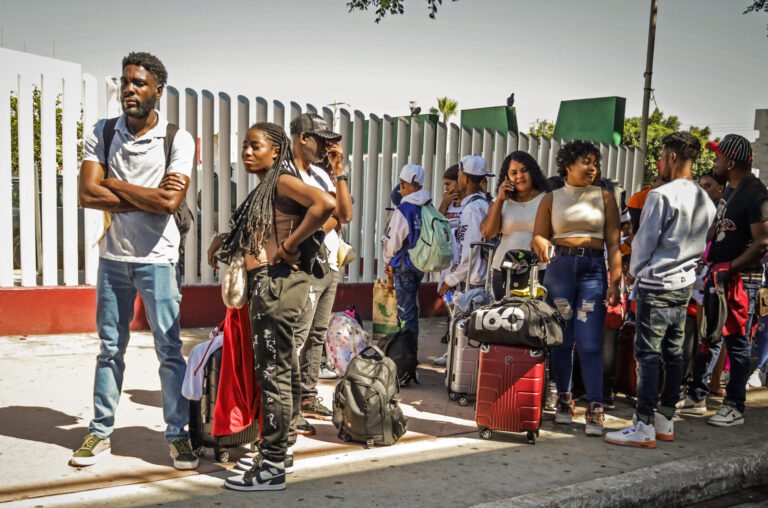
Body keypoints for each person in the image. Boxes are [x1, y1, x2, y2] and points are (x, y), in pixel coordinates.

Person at [73, 52, 197, 469]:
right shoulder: (103, 133)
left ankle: (178, 435)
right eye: (125, 82)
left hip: (159, 260)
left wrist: (112, 182)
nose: (129, 89)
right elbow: (86, 195)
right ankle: (99, 431)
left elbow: (168, 202)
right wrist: (142, 196)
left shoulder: (177, 138)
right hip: (113, 258)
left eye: (139, 83)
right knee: (110, 348)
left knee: (168, 349)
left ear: (157, 91)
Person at [211, 122, 335, 491]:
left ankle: (272, 465)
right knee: (284, 371)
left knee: (274, 375)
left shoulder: (281, 179)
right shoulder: (269, 185)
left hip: (277, 284)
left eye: (255, 146)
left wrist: (290, 246)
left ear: (276, 148)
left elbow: (325, 205)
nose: (248, 152)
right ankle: (282, 451)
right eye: (245, 146)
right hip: (270, 285)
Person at [605, 132, 716, 448]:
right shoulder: (704, 198)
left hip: (655, 285)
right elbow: (705, 240)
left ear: (671, 158)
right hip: (683, 285)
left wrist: (635, 275)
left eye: (662, 156)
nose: (660, 162)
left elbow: (642, 245)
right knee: (674, 353)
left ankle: (642, 425)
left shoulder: (660, 195)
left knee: (649, 356)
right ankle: (665, 420)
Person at [531, 140, 622, 437]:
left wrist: (615, 280)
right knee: (561, 338)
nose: (592, 167)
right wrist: (542, 243)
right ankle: (564, 402)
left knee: (590, 341)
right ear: (568, 165)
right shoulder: (551, 198)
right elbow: (538, 237)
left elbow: (613, 243)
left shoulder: (605, 197)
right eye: (586, 161)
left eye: (595, 162)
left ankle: (595, 407)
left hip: (593, 271)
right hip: (560, 271)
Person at [677, 134, 768, 427]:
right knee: (710, 335)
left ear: (730, 162)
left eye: (717, 157)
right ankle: (697, 396)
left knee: (738, 342)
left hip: (742, 279)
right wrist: (705, 256)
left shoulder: (755, 192)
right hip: (719, 273)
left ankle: (734, 406)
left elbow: (763, 241)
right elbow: (720, 227)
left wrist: (730, 267)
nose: (714, 161)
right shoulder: (731, 187)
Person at [286, 114, 353, 436]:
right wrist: (324, 223)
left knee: (317, 334)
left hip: (329, 263)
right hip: (304, 265)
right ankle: (288, 405)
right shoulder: (288, 174)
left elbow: (345, 214)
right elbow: (307, 222)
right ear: (302, 138)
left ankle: (308, 395)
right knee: (298, 336)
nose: (328, 146)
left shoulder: (323, 175)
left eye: (331, 141)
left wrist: (339, 171)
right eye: (321, 140)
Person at [480, 151, 550, 300]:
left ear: (533, 172)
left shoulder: (547, 198)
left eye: (524, 171)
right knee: (506, 317)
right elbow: (488, 233)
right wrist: (499, 199)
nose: (519, 176)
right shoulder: (501, 201)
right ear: (506, 177)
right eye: (514, 173)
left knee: (532, 318)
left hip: (538, 270)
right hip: (503, 269)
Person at [382, 164, 431, 349]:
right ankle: (407, 354)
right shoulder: (426, 206)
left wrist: (387, 261)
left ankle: (405, 356)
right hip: (419, 266)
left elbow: (393, 242)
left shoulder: (404, 210)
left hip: (403, 267)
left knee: (405, 315)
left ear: (403, 185)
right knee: (411, 312)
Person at [439, 155, 494, 297]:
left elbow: (468, 249)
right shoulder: (483, 204)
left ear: (466, 180)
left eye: (459, 176)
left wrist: (451, 279)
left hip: (472, 280)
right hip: (480, 278)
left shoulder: (472, 209)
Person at [433, 164, 464, 366]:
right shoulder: (449, 206)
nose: (446, 190)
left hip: (463, 267)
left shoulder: (470, 206)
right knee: (450, 308)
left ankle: (461, 353)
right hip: (448, 267)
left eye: (448, 185)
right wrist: (443, 206)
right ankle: (450, 351)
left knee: (462, 310)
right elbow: (435, 228)